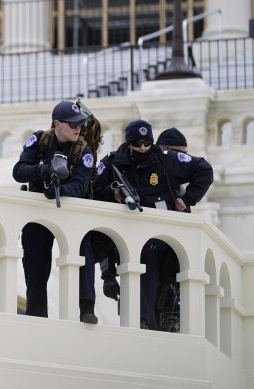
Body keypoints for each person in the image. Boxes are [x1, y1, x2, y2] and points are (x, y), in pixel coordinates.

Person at [92, 120, 213, 329]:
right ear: (128, 143)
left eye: (146, 144)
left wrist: (188, 199)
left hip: (166, 237)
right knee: (144, 260)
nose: (142, 148)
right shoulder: (112, 163)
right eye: (137, 144)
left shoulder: (165, 160)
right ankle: (143, 322)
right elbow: (93, 192)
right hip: (131, 237)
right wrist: (114, 195)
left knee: (175, 279)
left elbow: (204, 169)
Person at [12, 100, 95, 319]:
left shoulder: (82, 149)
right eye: (73, 124)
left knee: (82, 251)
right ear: (57, 124)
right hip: (38, 211)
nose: (78, 128)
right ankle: (36, 314)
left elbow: (81, 185)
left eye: (80, 123)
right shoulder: (40, 140)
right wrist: (43, 171)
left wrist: (60, 190)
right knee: (35, 263)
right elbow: (19, 171)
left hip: (69, 210)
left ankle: (87, 308)